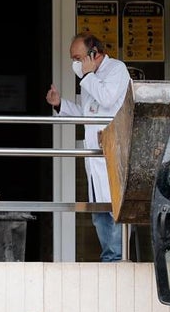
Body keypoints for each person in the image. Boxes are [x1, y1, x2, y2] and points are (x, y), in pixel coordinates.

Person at [46, 32, 130, 262]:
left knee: (114, 211)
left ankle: (115, 261)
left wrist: (88, 75)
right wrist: (60, 104)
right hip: (95, 157)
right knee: (99, 214)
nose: (75, 64)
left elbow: (107, 99)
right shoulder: (88, 77)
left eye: (78, 58)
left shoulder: (116, 70)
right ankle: (109, 258)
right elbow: (87, 114)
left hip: (113, 154)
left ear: (94, 54)